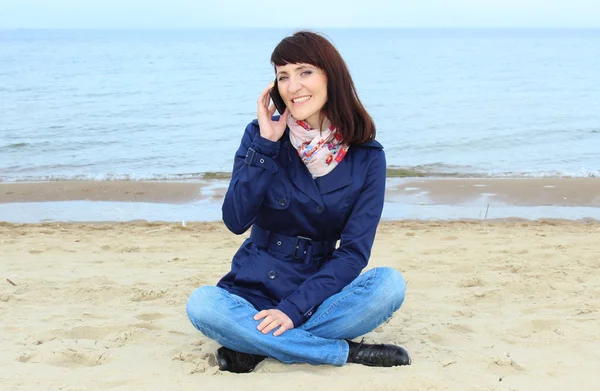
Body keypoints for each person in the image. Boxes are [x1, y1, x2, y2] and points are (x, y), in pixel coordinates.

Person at [186, 30, 410, 373]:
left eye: (305, 72)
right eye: (283, 76)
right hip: (255, 289)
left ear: (330, 76)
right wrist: (265, 147)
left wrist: (292, 311)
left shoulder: (367, 157)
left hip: (318, 294)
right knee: (203, 305)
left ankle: (256, 346)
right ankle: (343, 353)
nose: (293, 87)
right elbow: (235, 220)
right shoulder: (260, 136)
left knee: (388, 285)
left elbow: (353, 253)